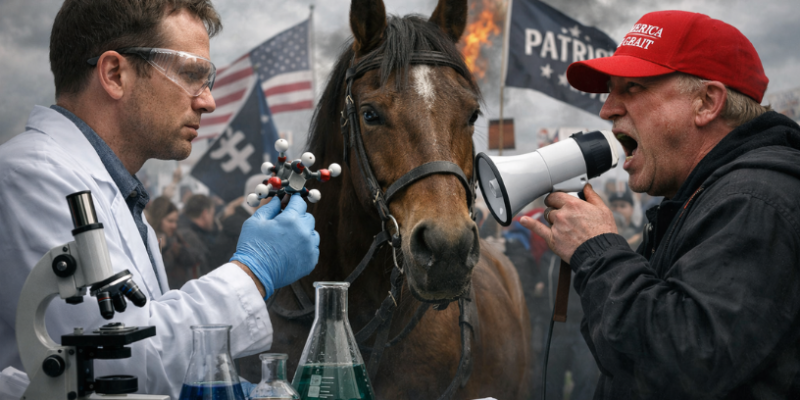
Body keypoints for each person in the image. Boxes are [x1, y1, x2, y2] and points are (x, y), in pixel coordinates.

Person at [0, 1, 319, 399]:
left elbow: (143, 337)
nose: (208, 101)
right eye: (191, 75)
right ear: (115, 74)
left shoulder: (117, 192)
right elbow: (116, 363)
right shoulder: (31, 176)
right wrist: (255, 271)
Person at [520, 10, 800, 399]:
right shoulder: (706, 197)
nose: (607, 109)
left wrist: (597, 252)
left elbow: (683, 367)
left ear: (706, 102)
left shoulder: (756, 201)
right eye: (611, 91)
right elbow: (626, 359)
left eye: (632, 88)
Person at [145, 196, 202, 289]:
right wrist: (163, 249)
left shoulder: (177, 237)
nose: (174, 225)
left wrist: (179, 250)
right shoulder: (148, 242)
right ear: (158, 219)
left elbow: (195, 258)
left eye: (176, 221)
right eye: (170, 221)